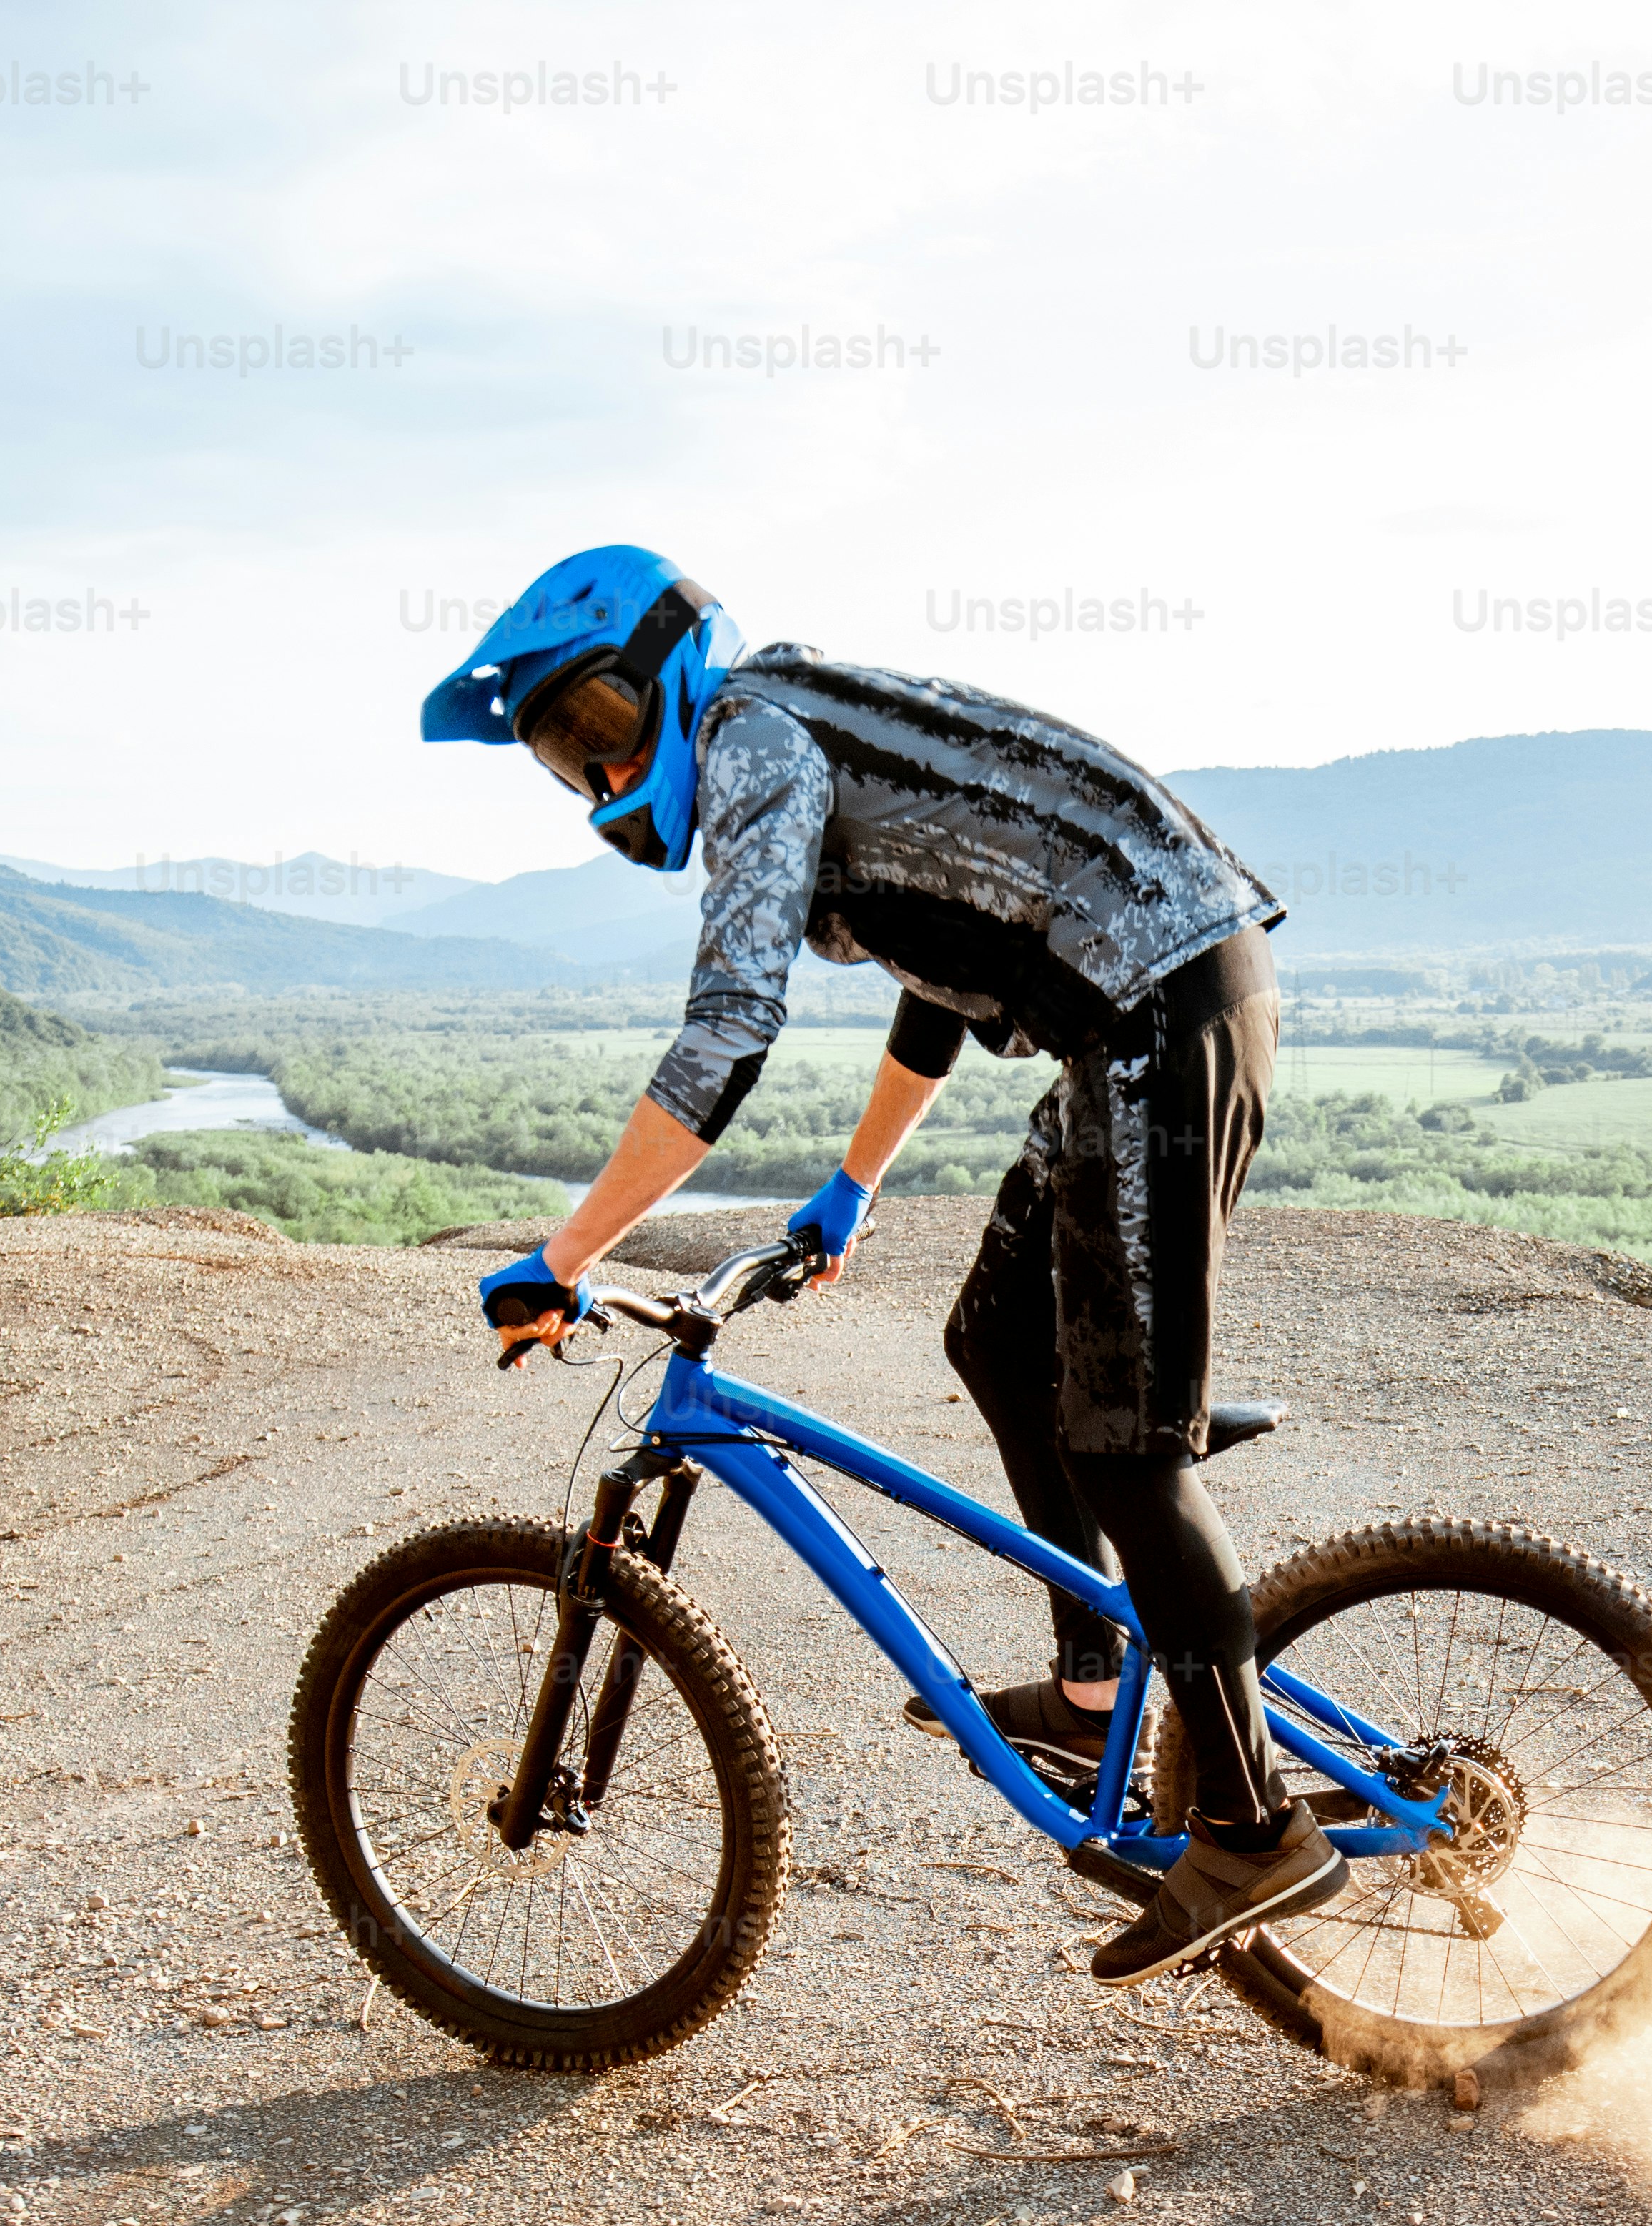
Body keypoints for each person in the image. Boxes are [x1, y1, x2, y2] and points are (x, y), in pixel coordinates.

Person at [425, 545, 1338, 1988]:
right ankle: (1100, 1688)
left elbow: (728, 1027)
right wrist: (849, 1186)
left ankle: (1250, 1824)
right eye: (562, 756)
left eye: (599, 724)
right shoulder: (808, 723)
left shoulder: (750, 736)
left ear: (672, 664)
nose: (597, 776)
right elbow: (941, 978)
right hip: (1137, 1005)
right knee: (995, 1338)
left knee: (1125, 1444)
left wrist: (564, 1254)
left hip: (1156, 1010)